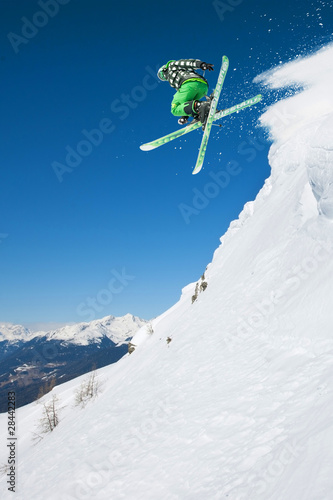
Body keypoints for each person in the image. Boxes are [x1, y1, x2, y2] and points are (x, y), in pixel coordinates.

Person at [157, 59, 214, 126]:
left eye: (162, 75)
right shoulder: (172, 80)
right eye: (162, 78)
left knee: (174, 109)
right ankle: (201, 112)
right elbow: (186, 102)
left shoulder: (171, 66)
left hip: (189, 83)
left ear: (164, 70)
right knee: (190, 104)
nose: (164, 78)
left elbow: (185, 63)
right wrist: (184, 116)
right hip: (203, 87)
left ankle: (201, 106)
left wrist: (200, 64)